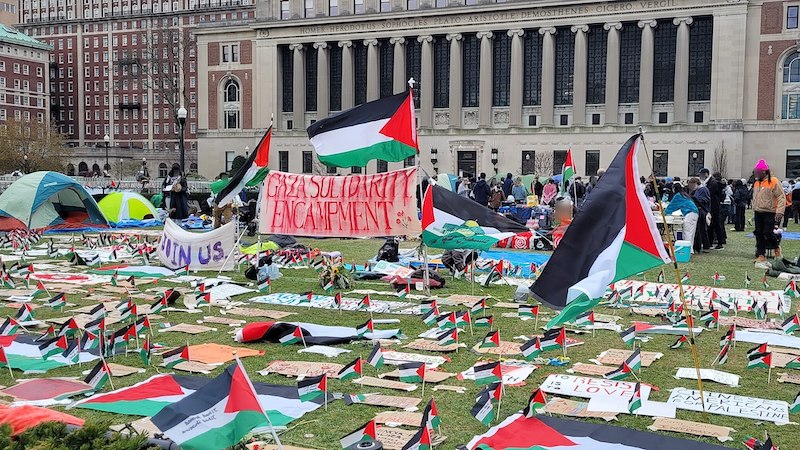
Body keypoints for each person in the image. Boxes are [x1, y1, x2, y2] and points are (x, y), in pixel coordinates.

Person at [752, 159, 786, 262]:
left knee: (767, 232)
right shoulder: (757, 183)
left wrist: (780, 211)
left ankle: (776, 248)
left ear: (763, 171)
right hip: (758, 211)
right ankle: (761, 254)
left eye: (757, 171)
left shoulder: (774, 181)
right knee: (758, 233)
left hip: (770, 212)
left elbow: (781, 197)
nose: (756, 173)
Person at [665, 182, 699, 253]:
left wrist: (664, 213)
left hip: (690, 213)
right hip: (694, 213)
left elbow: (671, 206)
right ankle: (690, 249)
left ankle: (688, 250)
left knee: (687, 233)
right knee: (691, 233)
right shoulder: (684, 194)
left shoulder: (678, 196)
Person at [700, 168, 725, 249]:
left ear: (706, 174)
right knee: (711, 224)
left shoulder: (712, 182)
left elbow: (710, 194)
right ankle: (710, 242)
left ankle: (720, 242)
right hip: (713, 205)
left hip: (714, 206)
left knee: (716, 224)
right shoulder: (710, 182)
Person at [688, 177, 710, 253]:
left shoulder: (703, 190)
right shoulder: (697, 190)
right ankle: (701, 246)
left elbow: (705, 200)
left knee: (702, 229)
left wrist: (695, 199)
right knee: (700, 229)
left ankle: (704, 246)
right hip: (700, 210)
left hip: (702, 211)